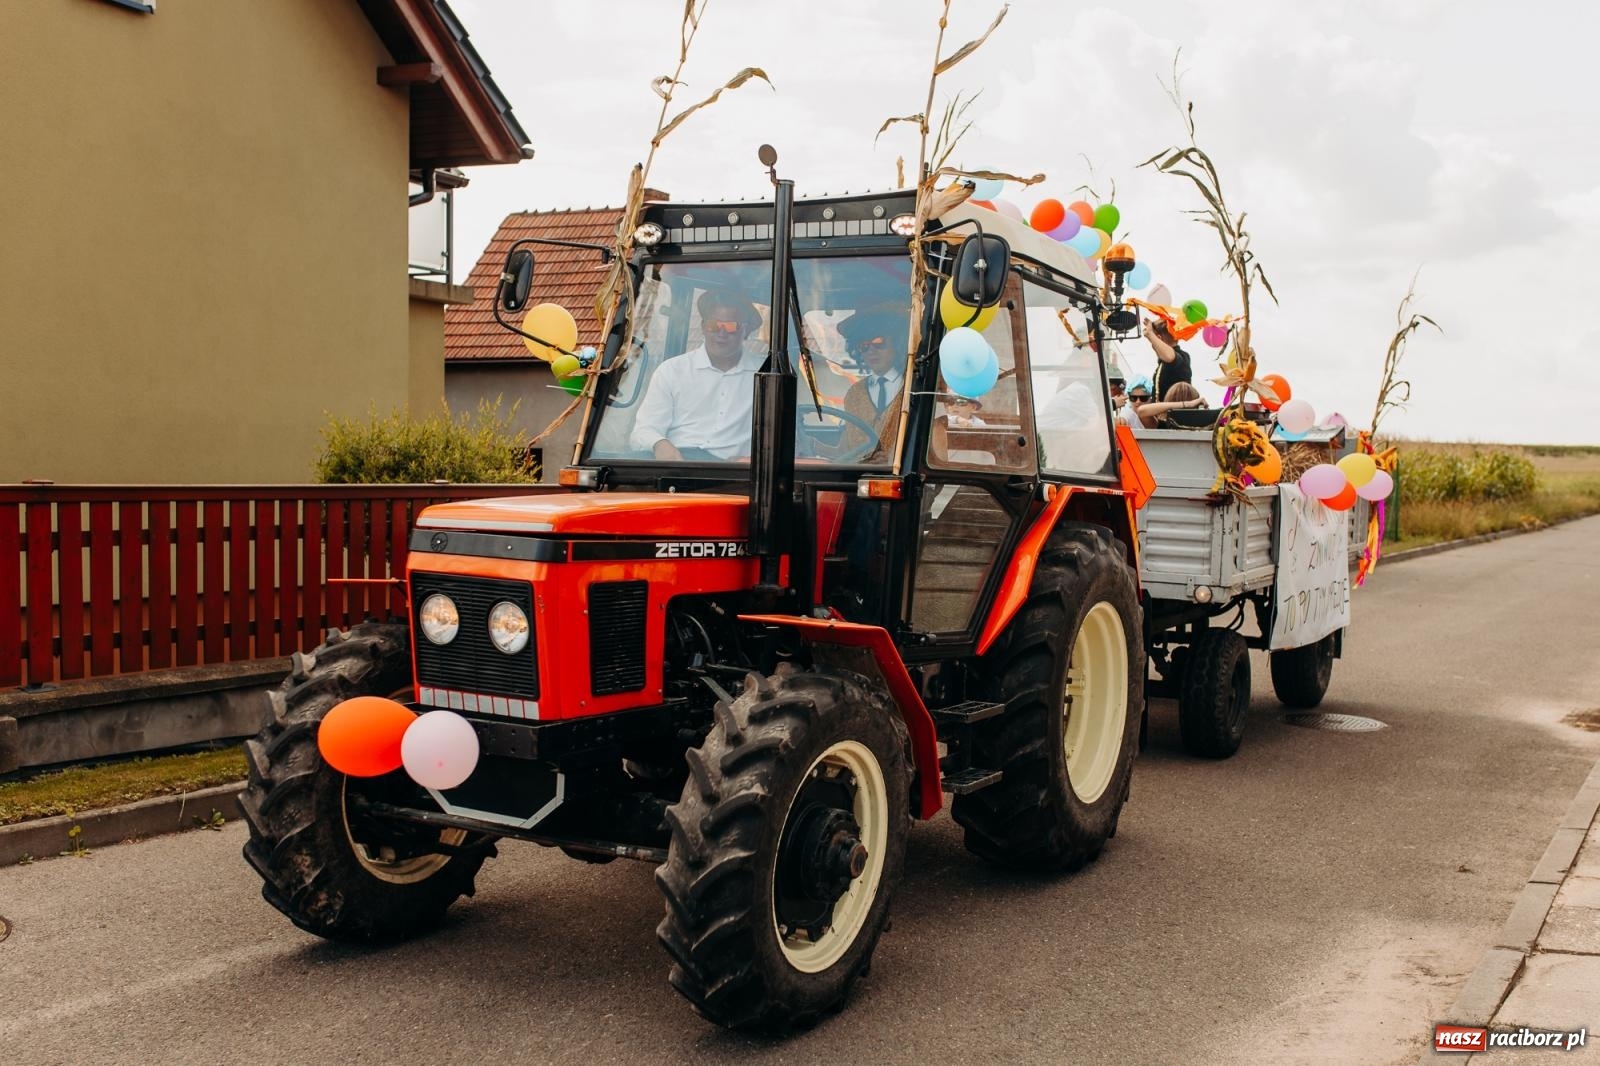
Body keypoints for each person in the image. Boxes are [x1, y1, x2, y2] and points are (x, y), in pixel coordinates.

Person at [629, 288, 764, 460]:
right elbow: (643, 430)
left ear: (746, 330)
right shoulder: (671, 371)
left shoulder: (765, 375)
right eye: (713, 325)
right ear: (703, 327)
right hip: (679, 465)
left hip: (734, 471)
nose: (721, 333)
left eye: (731, 326)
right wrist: (659, 444)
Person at [837, 310, 909, 459]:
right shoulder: (854, 394)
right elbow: (844, 452)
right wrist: (813, 445)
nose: (871, 351)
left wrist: (890, 460)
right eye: (864, 346)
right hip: (855, 473)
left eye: (878, 342)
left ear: (897, 343)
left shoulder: (913, 387)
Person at [1142, 317, 1193, 401]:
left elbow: (1170, 356)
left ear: (1159, 338)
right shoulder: (1181, 357)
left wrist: (1150, 334)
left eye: (1153, 340)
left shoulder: (1181, 357)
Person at [1126, 379, 1208, 428]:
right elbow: (1141, 411)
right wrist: (1189, 404)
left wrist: (1185, 405)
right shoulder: (1202, 427)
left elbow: (1141, 411)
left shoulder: (1163, 426)